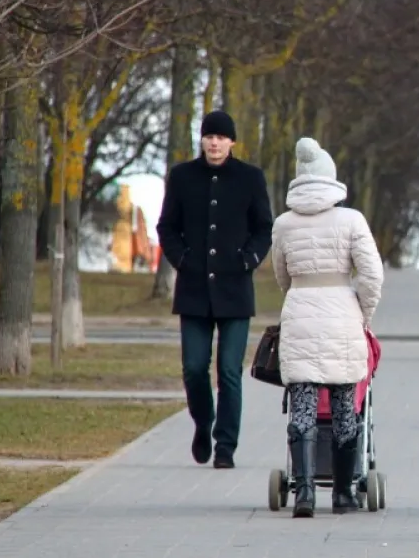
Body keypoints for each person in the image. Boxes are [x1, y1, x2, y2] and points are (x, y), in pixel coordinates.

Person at [270, 138, 385, 517]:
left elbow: (281, 275)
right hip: (342, 313)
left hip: (300, 309)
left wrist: (300, 296)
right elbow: (371, 274)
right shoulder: (352, 220)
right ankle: (343, 493)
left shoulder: (283, 223)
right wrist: (363, 311)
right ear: (331, 179)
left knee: (302, 408)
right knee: (344, 406)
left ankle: (304, 493)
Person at [156, 110, 273, 469]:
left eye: (221, 138)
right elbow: (167, 227)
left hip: (235, 292)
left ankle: (225, 445)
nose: (215, 143)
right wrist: (183, 260)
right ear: (202, 140)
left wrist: (247, 259)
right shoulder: (182, 177)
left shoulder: (250, 178)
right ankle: (203, 422)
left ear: (232, 142)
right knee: (193, 367)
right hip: (193, 290)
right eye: (209, 137)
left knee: (229, 371)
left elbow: (264, 228)